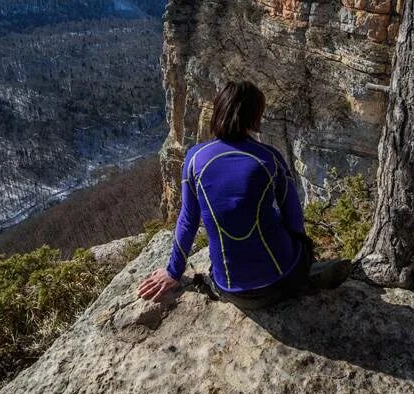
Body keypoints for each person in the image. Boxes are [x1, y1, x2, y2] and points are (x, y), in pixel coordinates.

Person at [137, 80, 349, 309]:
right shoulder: (270, 157)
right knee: (299, 243)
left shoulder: (194, 158)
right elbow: (294, 218)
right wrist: (300, 248)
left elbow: (188, 219)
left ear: (218, 111)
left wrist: (173, 271)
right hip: (281, 280)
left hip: (232, 290)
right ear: (255, 117)